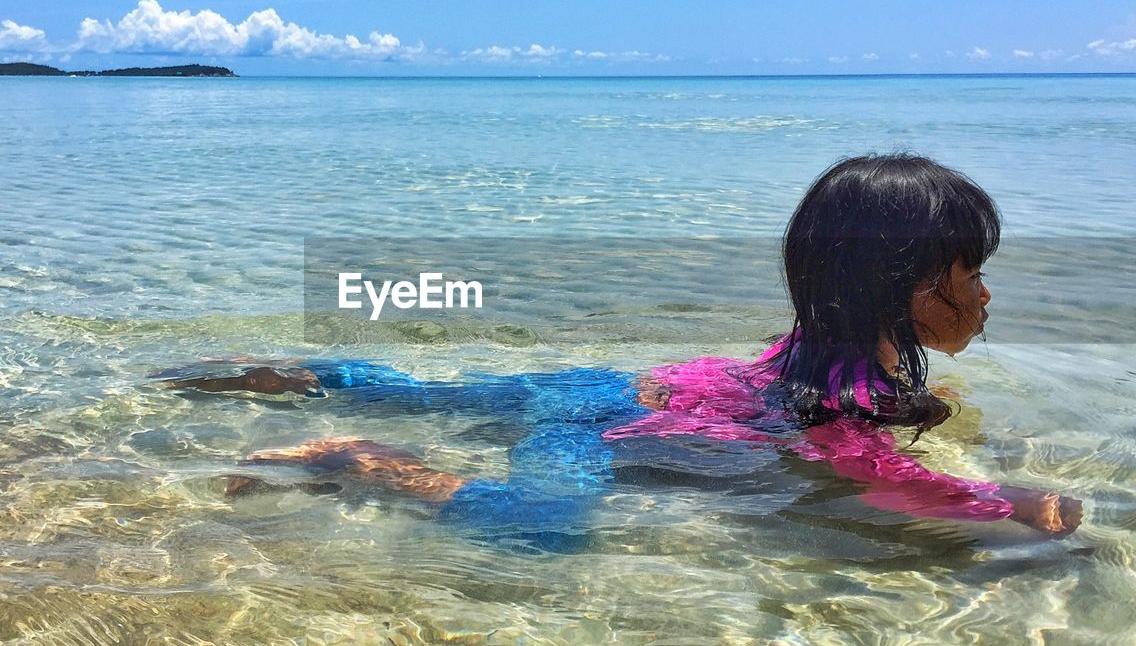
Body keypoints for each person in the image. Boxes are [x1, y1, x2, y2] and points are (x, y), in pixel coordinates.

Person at [153, 154, 1082, 545]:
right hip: (605, 429)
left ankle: (315, 380)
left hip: (601, 385)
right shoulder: (848, 390)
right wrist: (1009, 502)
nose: (987, 293)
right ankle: (362, 462)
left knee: (430, 392)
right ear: (910, 288)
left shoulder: (815, 348)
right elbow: (876, 478)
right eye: (971, 272)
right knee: (540, 527)